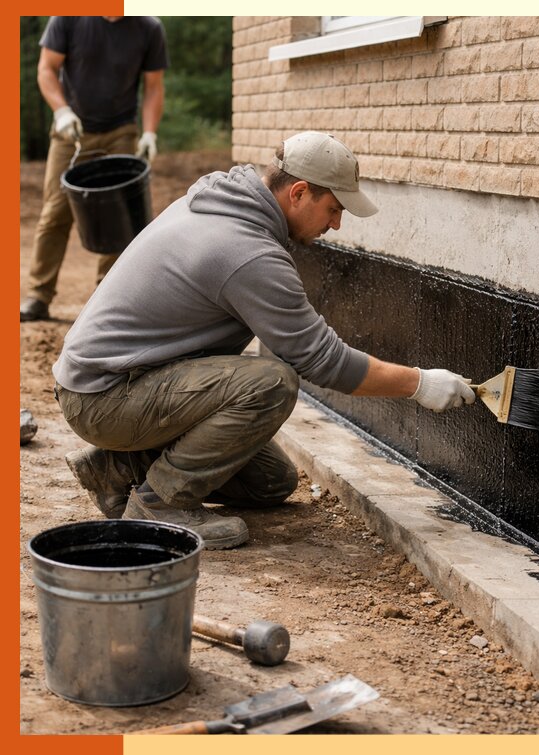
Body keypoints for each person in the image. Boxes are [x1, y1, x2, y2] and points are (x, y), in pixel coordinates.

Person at [53, 131, 475, 550]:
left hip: (112, 381)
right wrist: (419, 384)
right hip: (105, 396)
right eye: (333, 208)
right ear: (299, 192)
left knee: (273, 483)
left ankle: (114, 469)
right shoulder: (246, 250)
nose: (336, 223)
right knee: (272, 382)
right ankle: (159, 504)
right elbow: (323, 361)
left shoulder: (224, 204)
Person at [20, 16, 169, 322]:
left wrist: (150, 133)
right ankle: (38, 294)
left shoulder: (148, 28)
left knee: (121, 215)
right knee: (56, 211)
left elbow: (153, 87)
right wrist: (61, 111)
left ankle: (108, 299)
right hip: (71, 128)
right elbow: (46, 69)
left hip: (120, 132)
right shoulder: (67, 18)